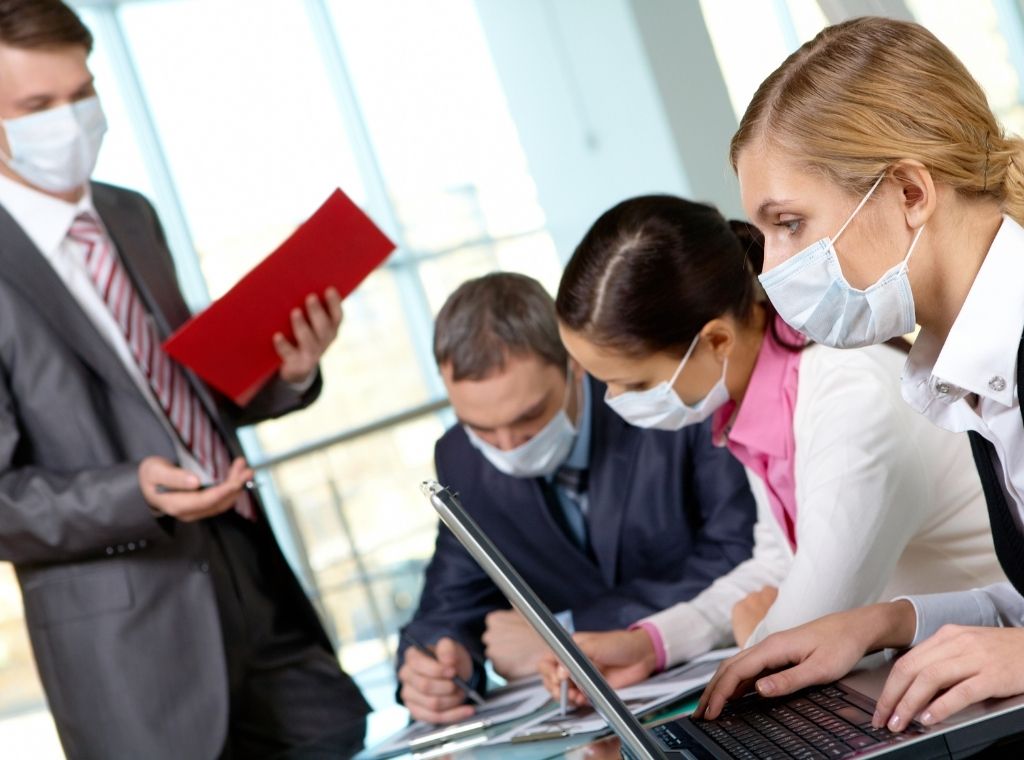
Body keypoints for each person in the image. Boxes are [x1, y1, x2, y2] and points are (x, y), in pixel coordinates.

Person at [0, 2, 368, 757]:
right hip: (132, 642)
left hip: (250, 579)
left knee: (334, 737)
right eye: (38, 106)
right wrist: (133, 492)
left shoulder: (130, 216)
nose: (70, 120)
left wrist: (284, 374)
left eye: (81, 93)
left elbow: (178, 390)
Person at [536, 194, 1002, 707]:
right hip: (923, 671)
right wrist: (651, 643)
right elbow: (777, 564)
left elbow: (793, 646)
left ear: (716, 342)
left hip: (986, 680)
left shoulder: (849, 402)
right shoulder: (772, 385)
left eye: (634, 382)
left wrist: (754, 632)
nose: (615, 402)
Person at [698, 15, 1024, 735]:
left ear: (910, 193)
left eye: (790, 224)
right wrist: (883, 623)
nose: (772, 270)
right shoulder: (966, 365)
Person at [396, 272, 757, 724]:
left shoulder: (665, 399)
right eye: (480, 428)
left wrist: (561, 634)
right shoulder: (460, 459)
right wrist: (438, 666)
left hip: (728, 682)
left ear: (574, 362)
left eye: (528, 416)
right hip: (594, 723)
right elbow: (449, 600)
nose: (507, 446)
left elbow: (740, 550)